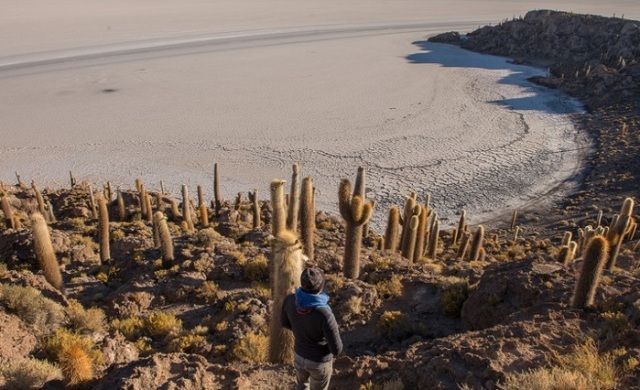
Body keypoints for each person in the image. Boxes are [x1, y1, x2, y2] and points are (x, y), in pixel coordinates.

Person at [281, 267, 343, 390]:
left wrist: (302, 330)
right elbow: (336, 349)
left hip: (299, 355)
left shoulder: (290, 300)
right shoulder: (325, 314)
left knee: (301, 385)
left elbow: (285, 323)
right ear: (320, 287)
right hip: (319, 362)